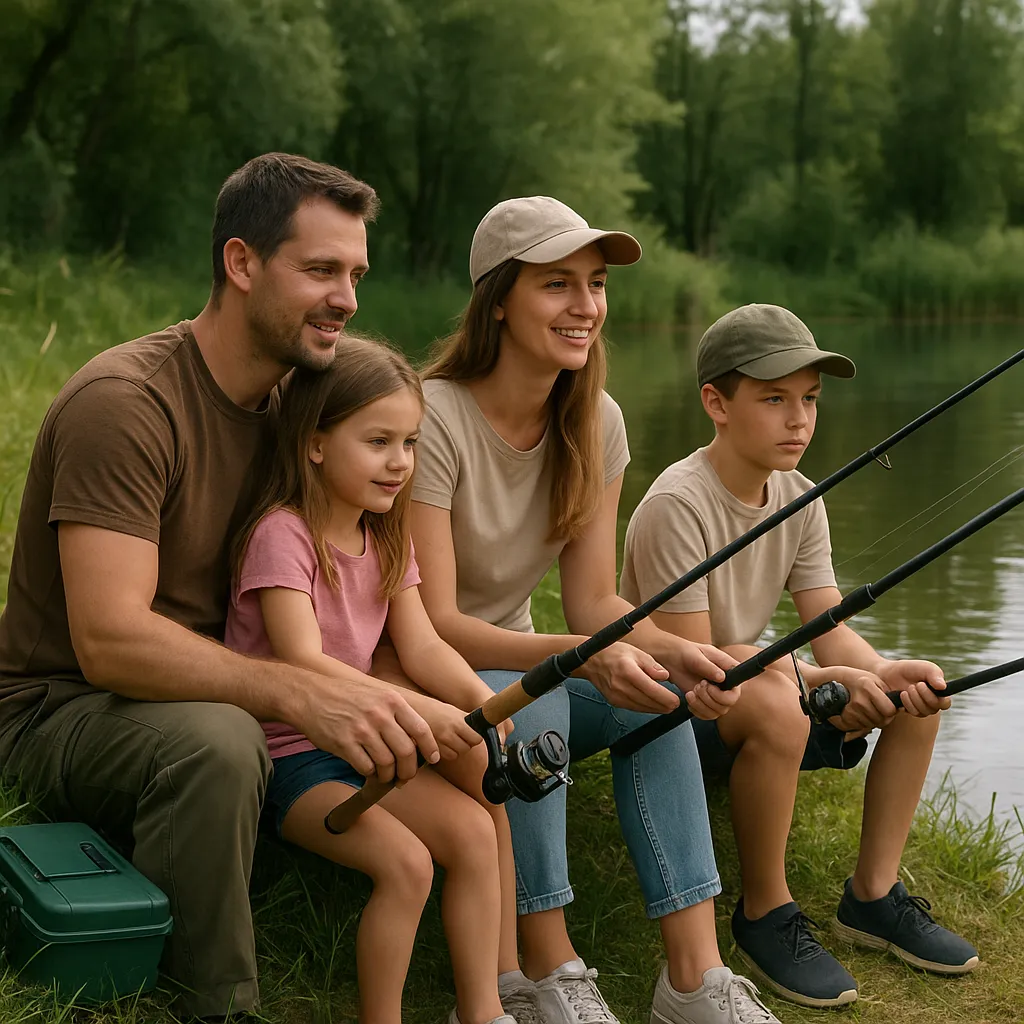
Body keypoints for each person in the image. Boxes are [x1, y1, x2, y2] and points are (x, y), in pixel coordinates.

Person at [0, 153, 471, 1020]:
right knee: (218, 741)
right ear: (242, 263)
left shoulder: (305, 409)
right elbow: (108, 640)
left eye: (357, 273)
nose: (348, 298)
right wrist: (300, 694)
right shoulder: (127, 404)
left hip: (221, 691)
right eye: (321, 269)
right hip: (58, 705)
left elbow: (354, 589)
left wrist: (411, 698)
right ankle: (217, 1003)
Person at [412, 196, 783, 1024]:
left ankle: (694, 981)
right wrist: (581, 654)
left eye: (596, 284)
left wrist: (676, 655)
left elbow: (594, 602)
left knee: (652, 697)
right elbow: (434, 620)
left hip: (517, 664)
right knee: (543, 682)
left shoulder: (597, 419)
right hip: (424, 672)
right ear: (498, 298)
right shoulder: (431, 415)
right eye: (557, 285)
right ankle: (547, 969)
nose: (585, 307)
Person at [620, 303, 979, 1010]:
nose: (799, 420)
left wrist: (878, 674)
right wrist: (813, 678)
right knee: (778, 703)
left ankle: (873, 895)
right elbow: (703, 655)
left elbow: (829, 624)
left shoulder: (801, 496)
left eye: (809, 400)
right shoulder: (677, 503)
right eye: (775, 398)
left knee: (918, 691)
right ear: (716, 404)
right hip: (676, 712)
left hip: (762, 686)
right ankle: (765, 912)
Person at [225, 337, 517, 1024]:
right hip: (293, 758)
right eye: (378, 441)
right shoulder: (283, 534)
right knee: (407, 866)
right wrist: (410, 708)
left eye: (410, 442)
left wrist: (481, 702)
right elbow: (300, 660)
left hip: (366, 743)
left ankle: (484, 1011)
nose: (399, 463)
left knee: (475, 833)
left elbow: (420, 646)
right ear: (316, 443)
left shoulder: (386, 535)